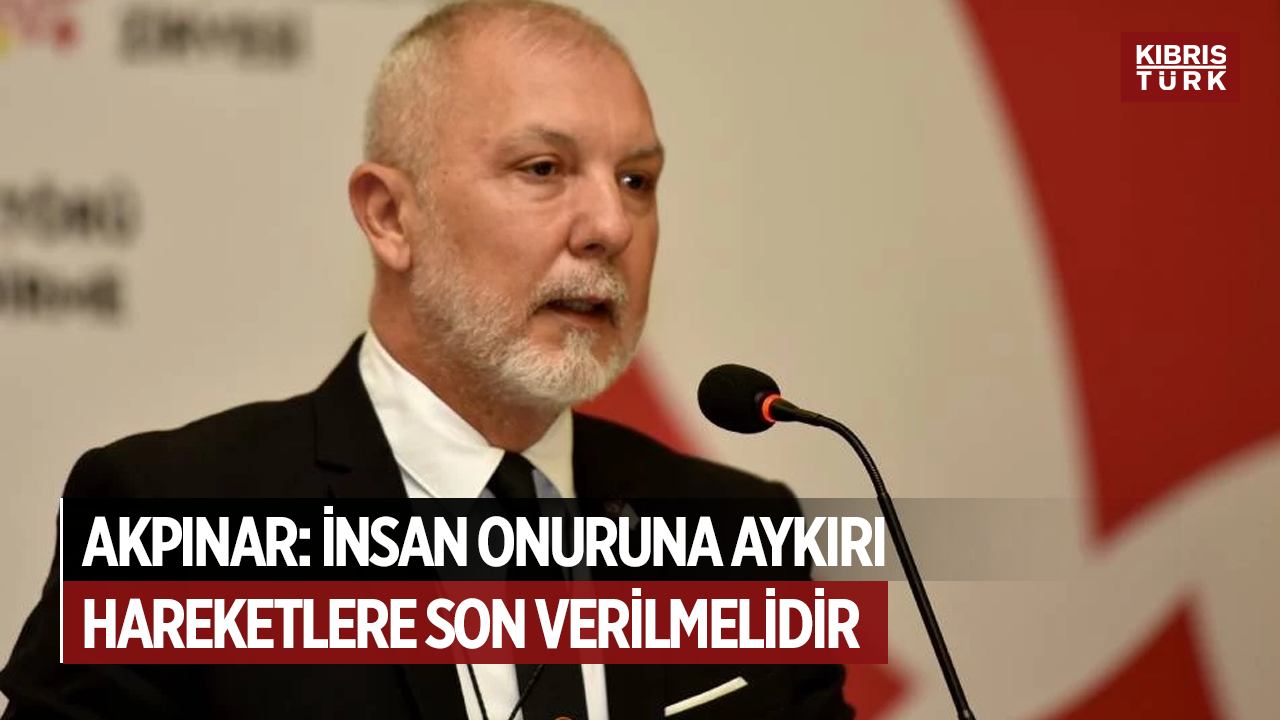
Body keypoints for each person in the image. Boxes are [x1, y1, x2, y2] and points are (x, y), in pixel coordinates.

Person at [0, 2, 852, 718]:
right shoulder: (170, 517)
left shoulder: (742, 536)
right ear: (389, 217)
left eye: (637, 180)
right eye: (544, 168)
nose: (611, 226)